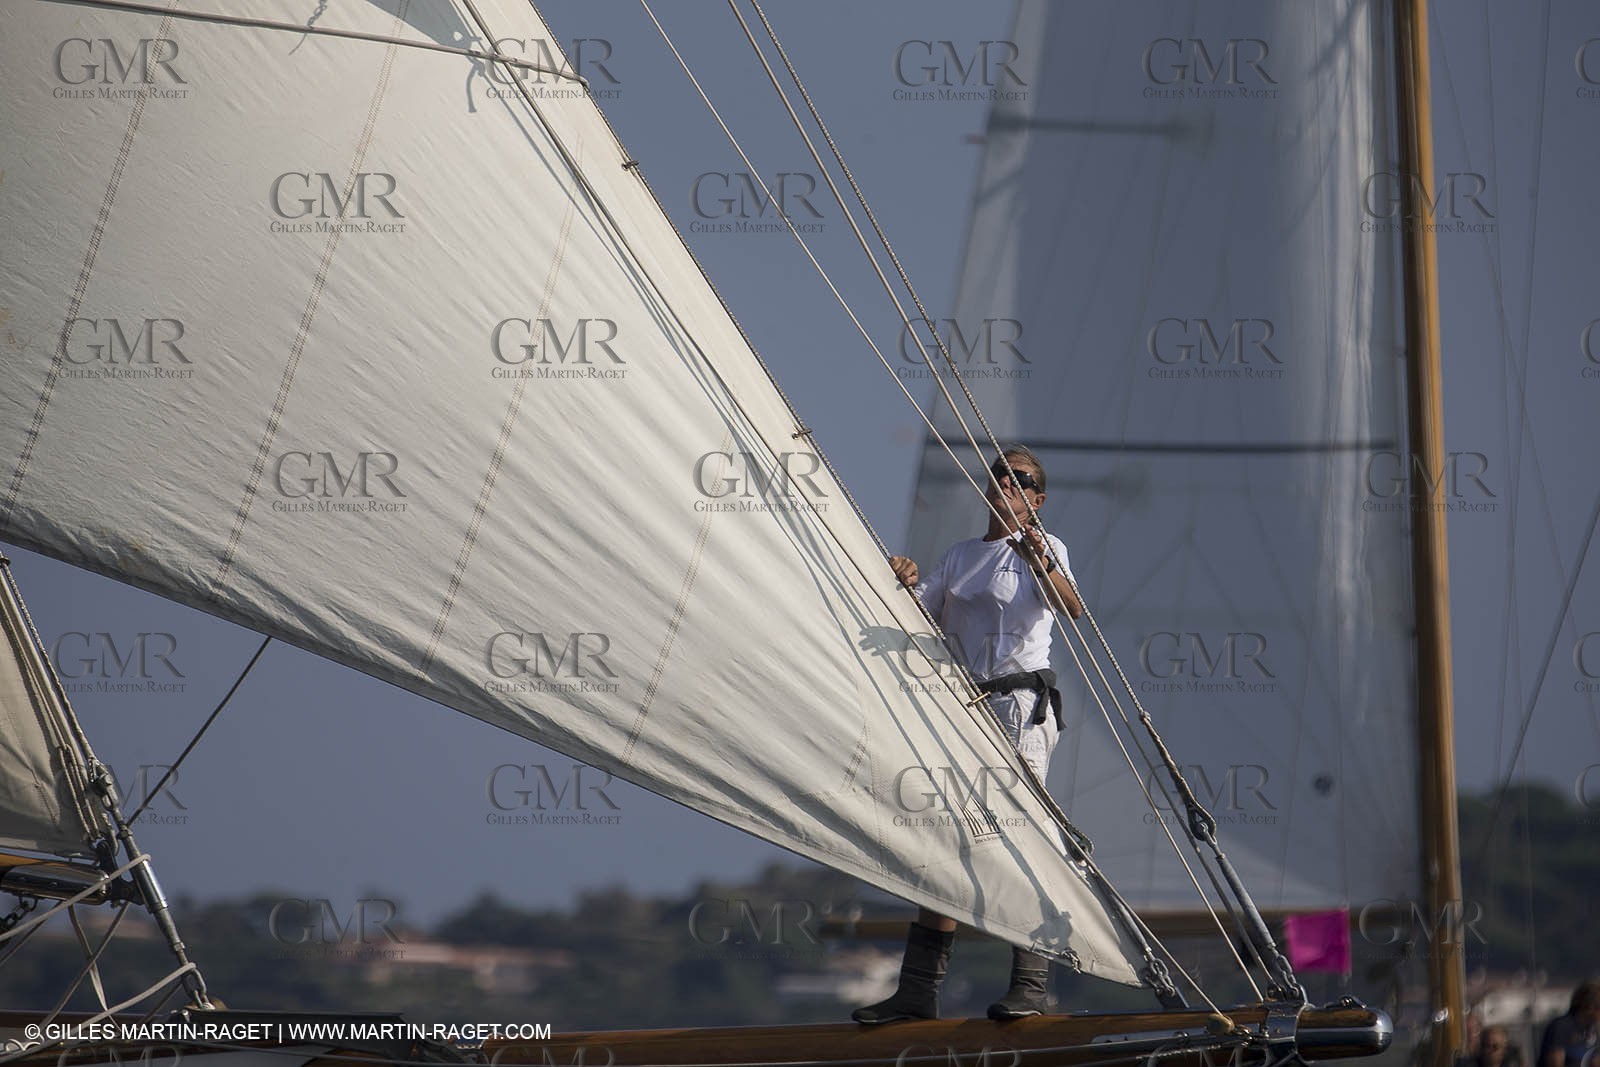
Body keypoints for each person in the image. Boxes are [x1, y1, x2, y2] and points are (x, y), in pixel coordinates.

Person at [854, 445, 1081, 1025]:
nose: (1006, 482)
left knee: (1023, 835)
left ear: (1038, 499)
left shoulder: (1045, 550)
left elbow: (1071, 608)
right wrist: (901, 576)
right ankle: (917, 990)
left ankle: (1031, 983)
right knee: (945, 836)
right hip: (967, 707)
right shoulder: (960, 557)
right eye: (999, 474)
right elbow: (915, 614)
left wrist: (1039, 558)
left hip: (1019, 705)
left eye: (1020, 478)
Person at [1539, 982, 1599, 1067]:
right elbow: (1555, 1063)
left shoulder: (1592, 1030)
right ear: (1590, 1007)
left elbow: (1595, 1061)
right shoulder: (1561, 1027)